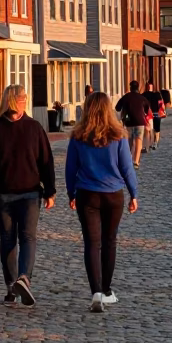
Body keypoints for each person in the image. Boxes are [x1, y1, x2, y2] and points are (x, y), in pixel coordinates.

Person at [0, 85, 56, 306]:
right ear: (18, 101)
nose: (25, 101)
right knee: (26, 238)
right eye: (24, 98)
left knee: (9, 239)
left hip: (9, 193)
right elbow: (46, 161)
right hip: (20, 193)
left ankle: (13, 285)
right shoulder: (30, 128)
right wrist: (50, 191)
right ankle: (23, 278)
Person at [66, 93, 138, 312]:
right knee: (109, 241)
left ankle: (96, 291)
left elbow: (70, 168)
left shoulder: (78, 136)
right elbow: (127, 167)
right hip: (113, 194)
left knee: (91, 243)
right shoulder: (118, 136)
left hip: (87, 194)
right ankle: (107, 290)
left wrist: (71, 194)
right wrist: (133, 193)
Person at [115, 81, 150, 167]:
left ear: (130, 88)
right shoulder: (142, 98)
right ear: (138, 88)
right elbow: (147, 109)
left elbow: (117, 108)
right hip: (140, 121)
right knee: (138, 140)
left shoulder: (126, 97)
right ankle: (136, 161)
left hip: (128, 121)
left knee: (129, 141)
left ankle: (128, 159)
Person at [143, 81, 166, 150]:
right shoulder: (157, 94)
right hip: (156, 113)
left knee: (149, 130)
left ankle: (149, 144)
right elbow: (161, 104)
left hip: (148, 114)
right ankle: (155, 143)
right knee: (156, 130)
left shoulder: (143, 94)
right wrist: (163, 111)